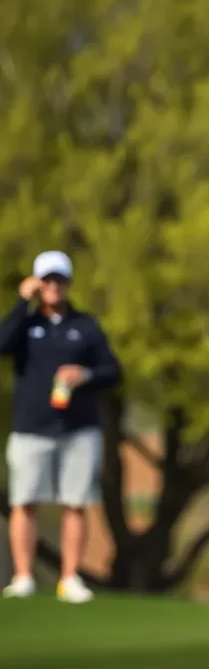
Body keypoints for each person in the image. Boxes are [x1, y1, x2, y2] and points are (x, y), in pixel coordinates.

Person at [1, 251, 121, 603]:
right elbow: (2, 344)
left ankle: (69, 577)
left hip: (78, 429)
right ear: (38, 284)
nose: (53, 286)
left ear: (68, 284)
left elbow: (112, 371)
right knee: (25, 501)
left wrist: (85, 375)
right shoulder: (25, 324)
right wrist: (21, 302)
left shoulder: (85, 327)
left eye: (59, 280)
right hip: (31, 428)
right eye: (46, 280)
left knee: (76, 502)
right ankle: (22, 576)